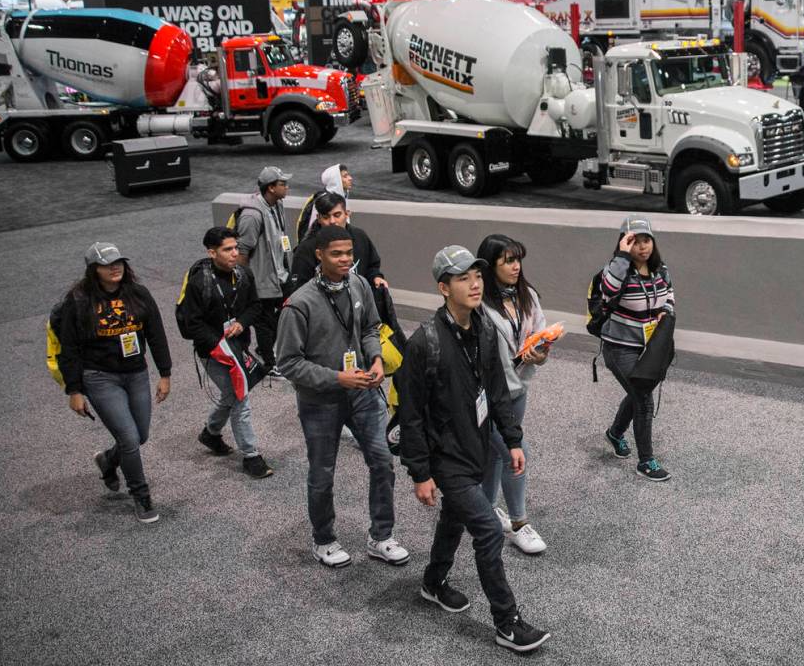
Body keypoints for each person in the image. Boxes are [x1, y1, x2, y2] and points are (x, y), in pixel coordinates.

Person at [396, 245, 550, 654]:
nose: (475, 283)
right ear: (443, 287)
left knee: (454, 517)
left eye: (477, 275)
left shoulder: (482, 329)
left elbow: (497, 391)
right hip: (444, 457)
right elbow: (410, 415)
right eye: (464, 278)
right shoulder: (423, 343)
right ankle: (507, 622)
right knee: (485, 529)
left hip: (477, 447)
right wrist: (420, 474)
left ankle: (432, 582)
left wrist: (512, 441)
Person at [275, 225, 408, 569]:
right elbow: (288, 363)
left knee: (382, 461)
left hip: (362, 392)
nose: (345, 259)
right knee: (322, 471)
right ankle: (323, 539)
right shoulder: (299, 304)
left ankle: (381, 535)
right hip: (321, 401)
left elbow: (370, 328)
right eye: (337, 253)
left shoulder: (359, 284)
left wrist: (376, 358)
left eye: (349, 252)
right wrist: (337, 377)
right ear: (319, 255)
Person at [57, 242, 171, 524]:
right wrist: (74, 390)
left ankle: (109, 460)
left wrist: (165, 374)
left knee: (140, 435)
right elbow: (68, 348)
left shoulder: (138, 293)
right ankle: (141, 495)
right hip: (99, 377)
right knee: (130, 438)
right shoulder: (79, 300)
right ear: (94, 270)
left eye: (118, 261)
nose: (115, 267)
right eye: (108, 264)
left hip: (136, 373)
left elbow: (156, 334)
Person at [176, 226, 273, 479]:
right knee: (240, 397)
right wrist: (218, 344)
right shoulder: (200, 283)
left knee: (232, 394)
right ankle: (251, 455)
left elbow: (255, 306)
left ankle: (211, 432)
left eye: (236, 248)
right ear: (211, 252)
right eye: (227, 249)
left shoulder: (244, 275)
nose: (234, 254)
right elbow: (191, 324)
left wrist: (241, 322)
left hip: (238, 347)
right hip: (212, 352)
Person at [476, 234, 549, 555]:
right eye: (507, 260)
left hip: (518, 389)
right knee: (515, 452)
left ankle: (487, 508)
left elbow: (540, 337)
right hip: (487, 396)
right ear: (490, 266)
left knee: (496, 454)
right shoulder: (478, 303)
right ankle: (519, 524)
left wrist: (540, 352)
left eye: (518, 259)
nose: (516, 266)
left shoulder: (528, 296)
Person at [600, 217, 675, 482]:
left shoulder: (660, 270)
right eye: (635, 241)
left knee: (636, 393)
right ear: (624, 242)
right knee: (643, 397)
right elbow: (607, 292)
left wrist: (665, 313)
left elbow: (669, 297)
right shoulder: (616, 269)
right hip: (619, 348)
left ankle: (615, 433)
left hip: (648, 348)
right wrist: (622, 255)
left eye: (647, 240)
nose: (642, 247)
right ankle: (646, 461)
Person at [229, 166, 293, 377]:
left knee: (286, 314)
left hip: (280, 275)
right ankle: (269, 362)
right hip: (262, 280)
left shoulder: (277, 205)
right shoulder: (252, 216)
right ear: (271, 188)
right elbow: (242, 252)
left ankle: (265, 349)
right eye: (283, 184)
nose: (287, 187)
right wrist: (244, 284)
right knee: (265, 322)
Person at [291, 191, 386, 292]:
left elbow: (372, 265)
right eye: (326, 217)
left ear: (347, 214)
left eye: (337, 215)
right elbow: (299, 288)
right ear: (318, 218)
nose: (332, 221)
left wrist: (376, 277)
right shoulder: (307, 248)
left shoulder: (360, 236)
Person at [296, 163, 354, 244]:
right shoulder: (323, 199)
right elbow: (312, 227)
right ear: (336, 179)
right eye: (345, 176)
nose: (350, 178)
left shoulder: (342, 197)